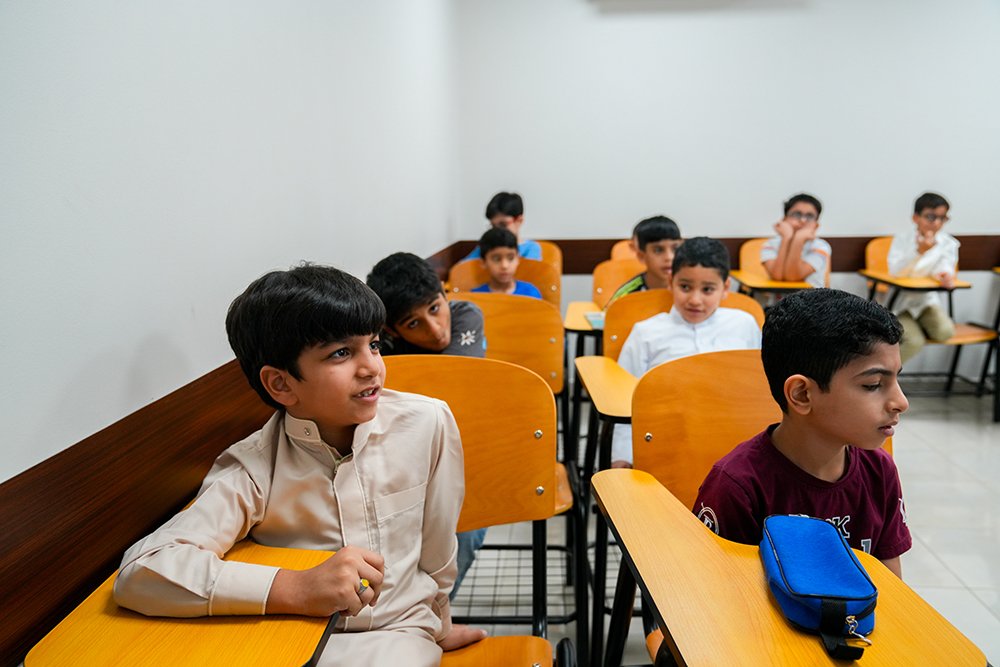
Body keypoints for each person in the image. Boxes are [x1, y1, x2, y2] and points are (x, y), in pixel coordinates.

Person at [113, 264, 486, 665]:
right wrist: (296, 588)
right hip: (290, 640)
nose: (371, 367)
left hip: (398, 631)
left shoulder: (426, 422)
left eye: (374, 345)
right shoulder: (255, 465)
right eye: (341, 353)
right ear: (281, 384)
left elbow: (438, 548)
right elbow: (144, 570)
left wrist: (440, 623)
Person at [693, 289, 911, 578]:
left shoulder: (879, 471)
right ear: (802, 394)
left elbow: (892, 589)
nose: (901, 402)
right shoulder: (737, 487)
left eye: (897, 378)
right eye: (873, 385)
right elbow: (714, 593)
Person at [365, 252, 487, 598]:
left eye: (435, 308)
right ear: (391, 330)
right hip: (401, 461)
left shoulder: (466, 315)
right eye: (413, 324)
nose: (435, 330)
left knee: (464, 533)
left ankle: (434, 609)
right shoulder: (379, 344)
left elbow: (450, 385)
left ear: (445, 293)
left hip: (465, 451)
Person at [610, 237, 761, 467]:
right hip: (667, 440)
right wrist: (622, 456)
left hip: (734, 442)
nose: (695, 300)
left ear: (725, 288)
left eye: (708, 289)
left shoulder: (744, 324)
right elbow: (623, 400)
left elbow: (759, 390)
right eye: (685, 287)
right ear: (671, 282)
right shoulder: (646, 332)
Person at [887, 192, 958, 363]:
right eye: (931, 217)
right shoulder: (902, 240)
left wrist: (946, 276)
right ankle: (884, 375)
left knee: (945, 332)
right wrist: (919, 251)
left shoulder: (949, 243)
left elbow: (945, 266)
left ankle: (918, 325)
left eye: (942, 218)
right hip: (900, 304)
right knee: (913, 342)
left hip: (926, 302)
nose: (937, 223)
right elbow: (896, 271)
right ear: (915, 217)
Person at [605, 215, 683, 308]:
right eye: (658, 250)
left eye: (675, 249)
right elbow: (609, 315)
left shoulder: (691, 286)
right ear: (641, 256)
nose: (669, 257)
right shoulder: (626, 295)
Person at [761, 193, 831, 288]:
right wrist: (786, 239)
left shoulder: (821, 247)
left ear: (816, 225)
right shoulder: (770, 245)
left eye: (810, 216)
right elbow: (776, 276)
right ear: (784, 219)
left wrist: (798, 239)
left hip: (811, 297)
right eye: (797, 214)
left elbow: (792, 277)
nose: (803, 220)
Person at [463, 192, 542, 261]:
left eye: (503, 225)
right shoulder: (485, 247)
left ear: (519, 220)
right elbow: (462, 268)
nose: (498, 231)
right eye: (493, 226)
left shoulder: (531, 249)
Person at [471, 227, 543, 299]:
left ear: (518, 259)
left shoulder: (530, 293)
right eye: (496, 259)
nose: (504, 266)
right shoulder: (476, 297)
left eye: (511, 258)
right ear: (483, 262)